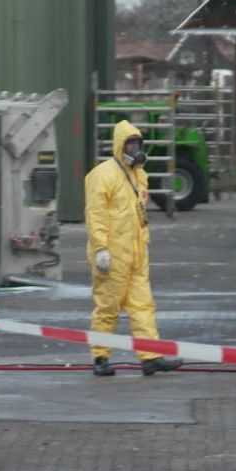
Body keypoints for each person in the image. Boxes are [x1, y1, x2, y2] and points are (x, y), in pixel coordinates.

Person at [84, 119, 183, 377]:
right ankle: (100, 357)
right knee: (108, 306)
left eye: (137, 143)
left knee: (143, 306)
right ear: (119, 146)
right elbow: (96, 215)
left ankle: (150, 357)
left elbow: (139, 215)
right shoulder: (102, 175)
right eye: (130, 143)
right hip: (112, 256)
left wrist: (145, 243)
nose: (134, 148)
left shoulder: (140, 175)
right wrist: (101, 249)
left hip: (137, 255)